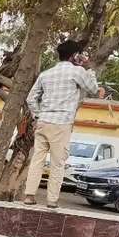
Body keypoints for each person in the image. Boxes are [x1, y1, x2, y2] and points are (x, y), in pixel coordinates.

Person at [23, 40, 101, 208]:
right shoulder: (77, 71)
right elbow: (93, 89)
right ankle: (52, 200)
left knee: (37, 160)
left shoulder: (46, 73)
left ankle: (29, 196)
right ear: (75, 55)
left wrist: (37, 116)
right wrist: (89, 69)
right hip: (62, 123)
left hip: (43, 121)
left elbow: (31, 99)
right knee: (58, 163)